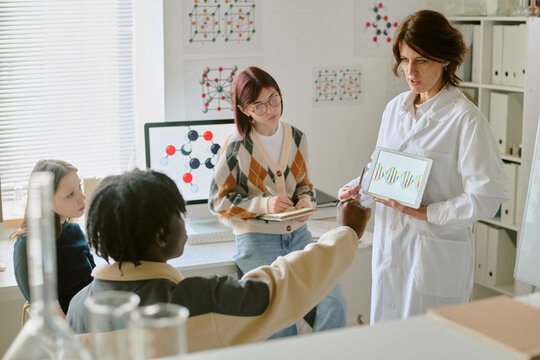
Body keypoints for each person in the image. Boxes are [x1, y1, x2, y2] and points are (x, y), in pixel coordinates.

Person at [65, 169, 371, 353]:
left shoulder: (76, 309)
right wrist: (346, 233)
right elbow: (284, 285)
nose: (184, 224)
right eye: (179, 215)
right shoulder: (197, 303)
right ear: (161, 235)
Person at [339, 10, 508, 324]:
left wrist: (428, 212)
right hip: (391, 250)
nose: (410, 71)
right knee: (388, 343)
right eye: (404, 60)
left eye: (421, 60)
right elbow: (381, 166)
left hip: (433, 258)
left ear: (445, 59)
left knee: (429, 348)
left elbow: (488, 197)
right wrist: (359, 187)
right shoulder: (394, 110)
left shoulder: (465, 119)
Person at [208, 66, 347, 338]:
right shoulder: (237, 146)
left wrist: (304, 204)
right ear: (245, 109)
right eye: (259, 106)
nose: (270, 109)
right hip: (256, 242)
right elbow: (218, 200)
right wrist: (264, 206)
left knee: (334, 303)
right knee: (281, 322)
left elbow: (306, 186)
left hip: (299, 237)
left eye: (274, 99)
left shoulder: (297, 138)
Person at [11, 159, 95, 315]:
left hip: (94, 320)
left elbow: (95, 285)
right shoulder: (27, 246)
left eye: (79, 187)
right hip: (71, 332)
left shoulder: (75, 231)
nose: (82, 197)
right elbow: (52, 315)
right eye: (70, 194)